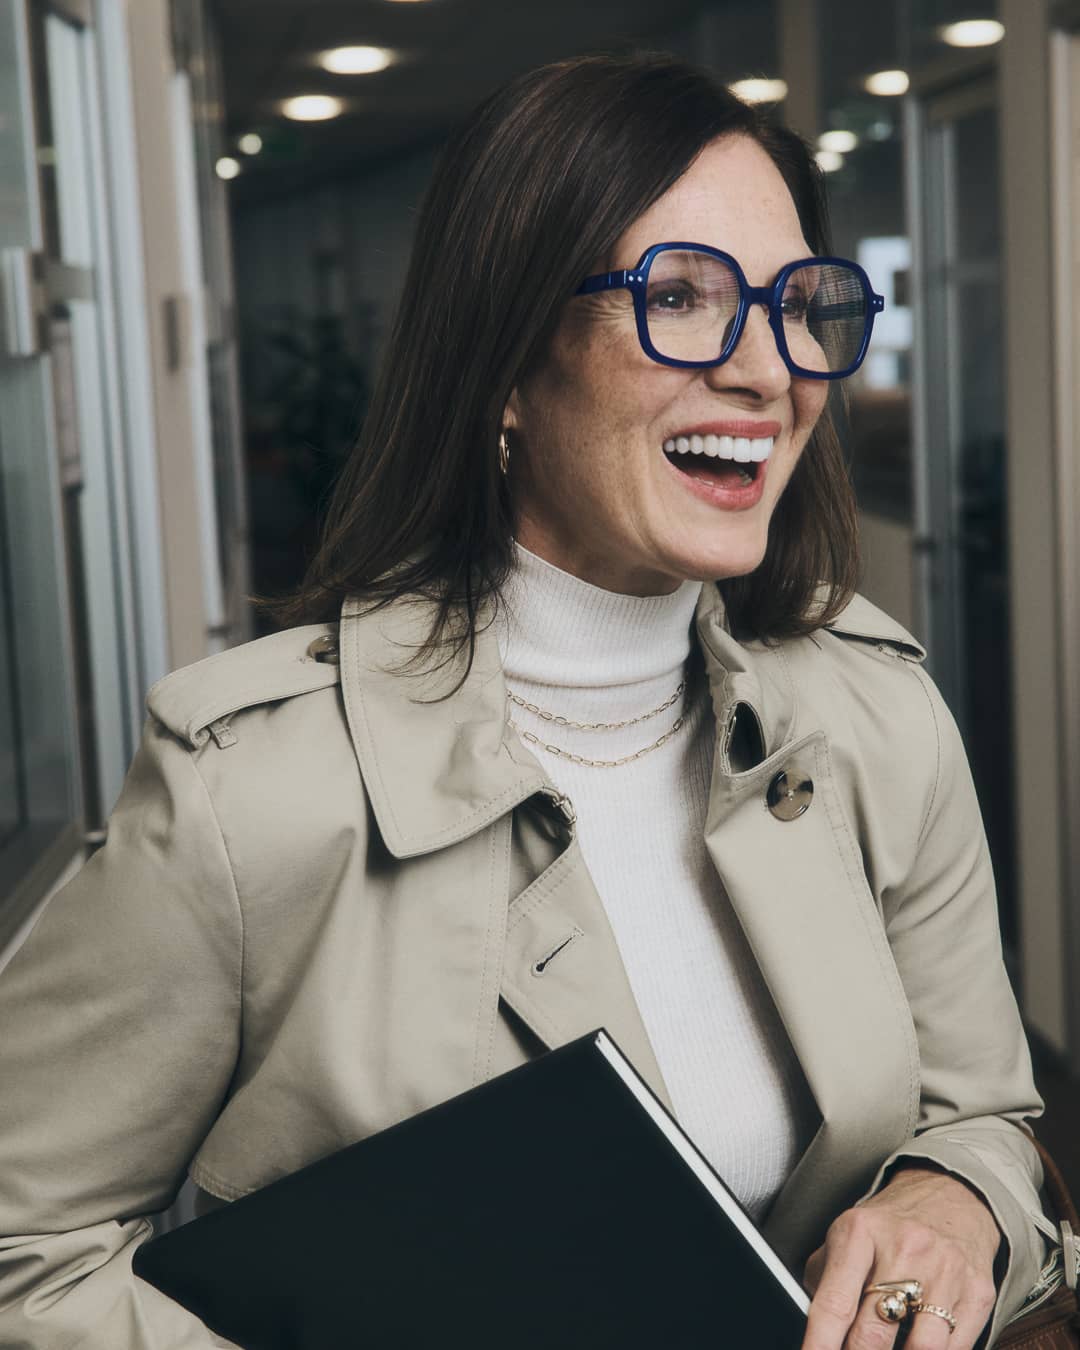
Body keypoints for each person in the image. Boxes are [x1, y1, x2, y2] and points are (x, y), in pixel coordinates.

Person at [0, 53, 1054, 1350]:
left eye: (798, 306)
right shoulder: (249, 793)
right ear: (506, 364)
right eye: (679, 297)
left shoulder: (879, 717)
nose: (768, 370)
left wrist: (953, 1202)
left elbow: (983, 1109)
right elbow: (20, 1254)